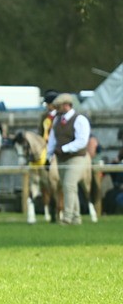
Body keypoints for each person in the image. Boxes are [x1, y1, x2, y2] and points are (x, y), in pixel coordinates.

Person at [46, 93, 91, 225]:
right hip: (61, 159)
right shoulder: (57, 120)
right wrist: (49, 156)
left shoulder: (80, 119)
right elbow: (52, 139)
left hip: (77, 158)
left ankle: (67, 217)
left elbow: (82, 141)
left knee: (69, 185)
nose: (56, 109)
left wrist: (65, 148)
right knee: (70, 188)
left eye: (58, 106)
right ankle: (76, 218)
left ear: (66, 105)